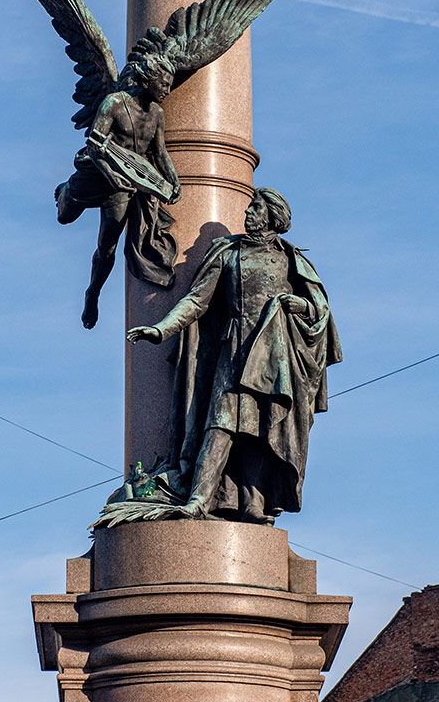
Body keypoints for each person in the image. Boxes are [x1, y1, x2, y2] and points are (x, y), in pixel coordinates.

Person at [127, 187, 339, 523]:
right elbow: (197, 300)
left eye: (256, 208)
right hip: (233, 350)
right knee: (220, 424)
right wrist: (161, 328)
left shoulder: (290, 259)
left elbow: (320, 311)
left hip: (272, 357)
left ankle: (252, 505)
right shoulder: (227, 252)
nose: (248, 212)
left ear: (273, 216)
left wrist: (298, 305)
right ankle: (199, 499)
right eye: (250, 207)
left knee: (260, 429)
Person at [56, 58, 181, 330]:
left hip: (125, 182)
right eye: (163, 83)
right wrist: (110, 174)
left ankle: (93, 293)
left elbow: (160, 152)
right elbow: (94, 144)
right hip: (98, 171)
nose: (167, 90)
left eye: (170, 84)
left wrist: (173, 181)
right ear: (147, 80)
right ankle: (66, 190)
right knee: (64, 216)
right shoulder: (114, 103)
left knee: (107, 246)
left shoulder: (157, 114)